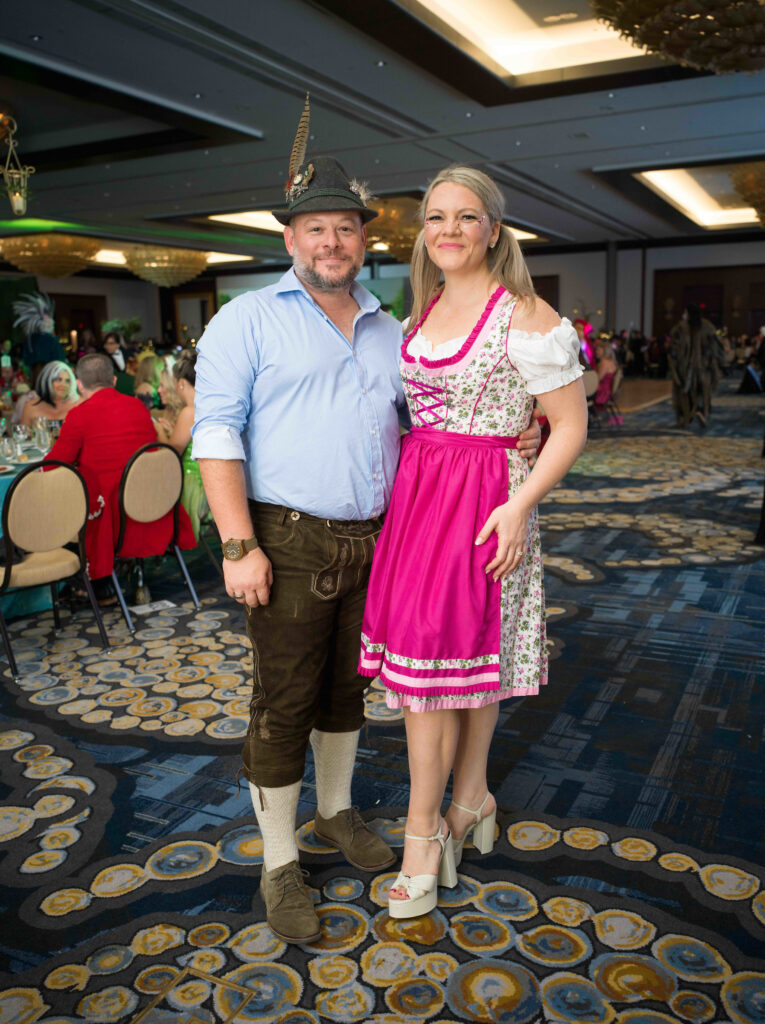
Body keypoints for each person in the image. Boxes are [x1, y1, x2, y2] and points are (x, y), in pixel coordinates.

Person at [192, 139, 547, 943]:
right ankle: (280, 860)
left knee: (350, 689)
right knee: (283, 701)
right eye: (313, 230)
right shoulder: (247, 318)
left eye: (345, 229)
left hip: (388, 538)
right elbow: (214, 432)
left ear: (366, 239)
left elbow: (441, 414)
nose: (330, 243)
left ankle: (337, 811)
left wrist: (519, 432)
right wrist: (238, 542)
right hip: (283, 539)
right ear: (289, 240)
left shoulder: (397, 325)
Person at [358, 165, 588, 919]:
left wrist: (520, 505)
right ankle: (472, 799)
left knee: (440, 664)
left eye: (465, 217)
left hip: (488, 499)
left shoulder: (523, 310)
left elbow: (571, 425)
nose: (449, 230)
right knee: (452, 663)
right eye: (435, 217)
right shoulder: (421, 308)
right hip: (423, 494)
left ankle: (424, 832)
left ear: (494, 229)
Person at [45, 353, 195, 602]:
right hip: (154, 503)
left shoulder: (79, 415)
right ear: (114, 380)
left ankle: (90, 581)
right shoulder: (137, 406)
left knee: (62, 499)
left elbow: (53, 465)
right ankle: (98, 582)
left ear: (79, 385)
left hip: (112, 517)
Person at [155, 350, 207, 541]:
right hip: (203, 477)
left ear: (182, 383)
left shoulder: (189, 411)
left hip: (189, 481)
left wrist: (159, 431)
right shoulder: (205, 405)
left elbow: (172, 453)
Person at [668, 305, 723, 428]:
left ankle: (689, 416)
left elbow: (673, 350)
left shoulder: (681, 328)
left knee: (688, 392)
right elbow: (716, 348)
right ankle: (699, 413)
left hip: (690, 367)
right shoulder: (706, 327)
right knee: (699, 392)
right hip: (700, 367)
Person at [20, 360, 80, 428]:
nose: (63, 384)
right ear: (48, 381)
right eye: (59, 380)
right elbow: (23, 435)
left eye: (67, 381)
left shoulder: (79, 404)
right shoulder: (31, 407)